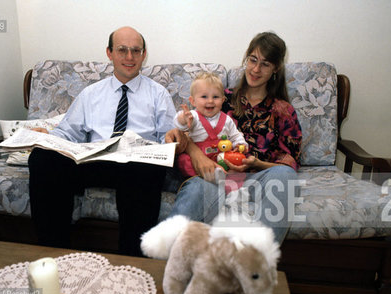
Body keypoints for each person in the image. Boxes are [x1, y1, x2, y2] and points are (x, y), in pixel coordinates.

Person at [28, 26, 181, 256]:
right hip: (95, 162)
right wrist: (46, 138)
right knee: (42, 158)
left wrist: (173, 138)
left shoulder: (157, 94)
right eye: (122, 50)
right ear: (109, 53)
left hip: (137, 165)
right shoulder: (91, 94)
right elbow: (68, 132)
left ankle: (133, 260)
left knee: (148, 171)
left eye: (135, 51)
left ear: (144, 54)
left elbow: (167, 138)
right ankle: (53, 253)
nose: (129, 57)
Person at [168, 32, 302, 244]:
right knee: (196, 188)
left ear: (276, 68)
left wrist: (256, 163)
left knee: (285, 176)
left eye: (265, 64)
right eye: (253, 60)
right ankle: (165, 265)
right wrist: (196, 153)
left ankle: (255, 259)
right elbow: (190, 129)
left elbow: (289, 162)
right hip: (215, 176)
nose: (256, 69)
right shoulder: (221, 97)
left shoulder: (283, 111)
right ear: (246, 59)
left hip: (253, 180)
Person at [173, 72, 248, 178]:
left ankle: (229, 181)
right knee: (183, 160)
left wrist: (241, 144)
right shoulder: (193, 116)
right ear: (193, 101)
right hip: (199, 160)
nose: (210, 101)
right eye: (204, 96)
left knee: (238, 160)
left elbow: (236, 135)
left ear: (222, 100)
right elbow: (181, 126)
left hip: (221, 156)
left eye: (215, 97)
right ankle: (204, 177)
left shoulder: (227, 119)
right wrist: (183, 119)